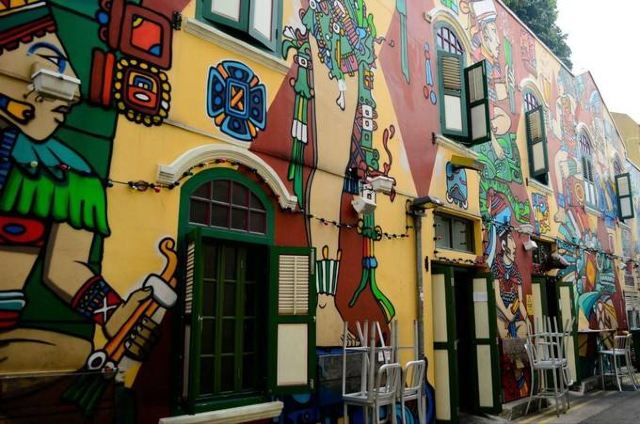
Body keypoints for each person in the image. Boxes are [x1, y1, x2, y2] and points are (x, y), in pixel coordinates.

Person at [0, 1, 164, 386]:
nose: (72, 86)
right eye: (49, 60)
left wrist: (113, 314)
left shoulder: (63, 170)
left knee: (76, 354)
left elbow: (67, 266)